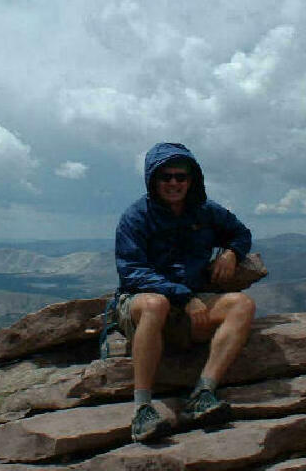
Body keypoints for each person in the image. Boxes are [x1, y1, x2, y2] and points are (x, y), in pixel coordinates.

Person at [114, 142, 256, 442]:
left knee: (241, 305)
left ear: (192, 179)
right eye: (166, 177)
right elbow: (131, 271)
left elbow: (241, 233)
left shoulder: (205, 212)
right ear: (153, 180)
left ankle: (203, 393)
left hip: (189, 304)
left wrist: (231, 252)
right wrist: (183, 295)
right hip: (143, 303)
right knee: (156, 304)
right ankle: (142, 410)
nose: (174, 183)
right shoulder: (136, 217)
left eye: (181, 176)